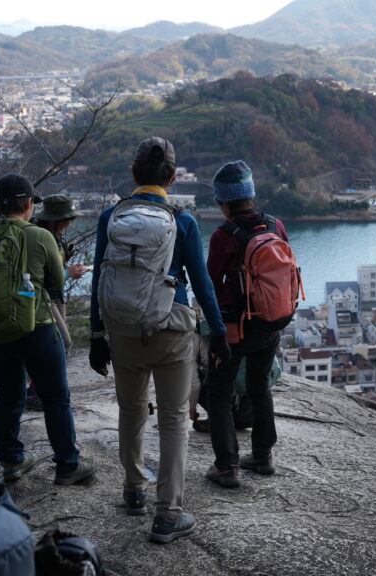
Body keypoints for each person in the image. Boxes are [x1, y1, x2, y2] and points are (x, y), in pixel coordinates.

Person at [88, 137, 229, 544]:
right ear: (172, 177)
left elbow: (99, 278)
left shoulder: (111, 217)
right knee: (172, 419)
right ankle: (168, 513)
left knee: (131, 411)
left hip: (123, 330)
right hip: (172, 330)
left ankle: (134, 490)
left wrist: (97, 335)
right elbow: (202, 284)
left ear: (133, 173)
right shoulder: (183, 222)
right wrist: (219, 333)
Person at [0, 174, 94, 485]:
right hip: (35, 327)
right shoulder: (40, 236)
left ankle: (12, 461)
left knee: (8, 396)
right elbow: (57, 281)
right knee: (56, 397)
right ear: (28, 203)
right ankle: (68, 465)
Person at [204, 160, 288, 487]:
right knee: (259, 384)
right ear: (251, 194)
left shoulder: (224, 235)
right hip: (271, 323)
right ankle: (263, 456)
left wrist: (213, 332)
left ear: (223, 200)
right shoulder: (275, 226)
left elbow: (211, 285)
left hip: (236, 327)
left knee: (219, 391)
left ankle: (227, 466)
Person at [27, 194, 90, 411]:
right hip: (43, 297)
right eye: (66, 220)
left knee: (53, 345)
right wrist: (68, 272)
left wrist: (68, 269)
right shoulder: (39, 236)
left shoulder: (55, 236)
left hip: (56, 295)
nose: (69, 224)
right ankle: (41, 392)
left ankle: (39, 389)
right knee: (62, 342)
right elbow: (39, 273)